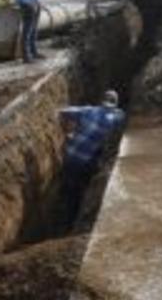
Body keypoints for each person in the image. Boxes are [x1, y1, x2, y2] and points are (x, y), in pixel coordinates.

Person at [58, 90, 126, 225]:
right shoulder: (114, 119)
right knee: (79, 189)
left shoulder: (88, 111)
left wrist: (69, 132)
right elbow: (123, 116)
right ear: (115, 105)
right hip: (85, 162)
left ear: (102, 101)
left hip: (69, 156)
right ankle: (71, 217)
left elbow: (63, 111)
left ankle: (62, 210)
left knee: (66, 186)